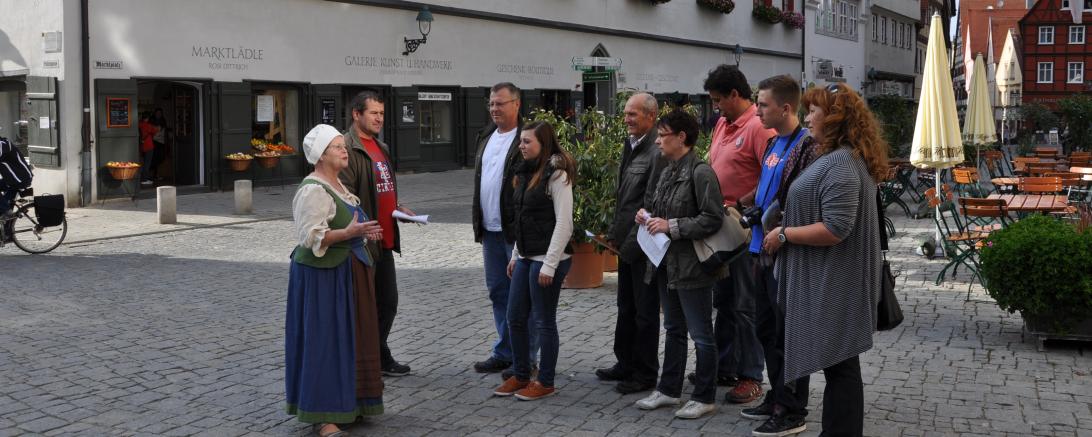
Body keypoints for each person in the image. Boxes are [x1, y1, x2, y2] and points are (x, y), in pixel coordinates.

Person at [760, 83, 886, 437]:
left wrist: (785, 234)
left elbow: (836, 228)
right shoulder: (837, 158)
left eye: (814, 111)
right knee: (839, 364)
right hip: (832, 278)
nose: (807, 117)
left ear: (834, 118)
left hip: (836, 280)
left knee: (841, 364)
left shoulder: (842, 162)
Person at [285, 124, 386, 437]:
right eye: (337, 146)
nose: (345, 150)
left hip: (347, 274)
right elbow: (310, 237)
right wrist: (350, 233)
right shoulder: (313, 190)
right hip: (322, 279)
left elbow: (350, 224)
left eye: (344, 145)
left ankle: (350, 403)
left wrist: (364, 232)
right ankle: (324, 416)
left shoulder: (339, 186)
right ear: (321, 155)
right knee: (325, 342)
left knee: (351, 339)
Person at [738, 75, 821, 435]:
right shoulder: (774, 143)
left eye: (763, 104)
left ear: (786, 108)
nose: (757, 110)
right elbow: (770, 190)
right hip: (760, 250)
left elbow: (799, 202)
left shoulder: (806, 146)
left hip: (784, 255)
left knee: (788, 334)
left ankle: (792, 409)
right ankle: (777, 395)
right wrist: (751, 203)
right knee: (767, 330)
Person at [634, 109, 724, 420]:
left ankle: (704, 395)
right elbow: (660, 209)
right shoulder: (667, 169)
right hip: (665, 264)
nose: (657, 141)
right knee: (673, 329)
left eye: (663, 135)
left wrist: (672, 226)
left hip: (692, 266)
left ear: (681, 137)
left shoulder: (701, 172)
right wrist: (646, 217)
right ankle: (669, 390)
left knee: (701, 333)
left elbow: (713, 218)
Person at [700, 64, 773, 404]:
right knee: (725, 301)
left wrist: (744, 204)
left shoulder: (758, 127)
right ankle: (724, 365)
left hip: (745, 228)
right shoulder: (723, 124)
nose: (715, 107)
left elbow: (773, 175)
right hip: (720, 226)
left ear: (734, 95)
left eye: (718, 100)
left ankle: (751, 375)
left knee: (746, 304)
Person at [492, 121, 576, 401]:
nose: (521, 146)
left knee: (543, 321)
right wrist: (516, 254)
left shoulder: (557, 174)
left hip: (548, 258)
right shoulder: (525, 172)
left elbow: (564, 224)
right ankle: (521, 373)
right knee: (514, 317)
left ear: (544, 144)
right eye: (521, 141)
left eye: (528, 142)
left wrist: (550, 264)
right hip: (527, 255)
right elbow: (523, 218)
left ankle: (547, 381)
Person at [339, 90, 414, 377]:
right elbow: (345, 199)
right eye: (374, 113)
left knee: (388, 302)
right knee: (367, 306)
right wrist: (361, 227)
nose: (379, 118)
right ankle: (372, 359)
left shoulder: (381, 147)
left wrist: (397, 208)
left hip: (385, 237)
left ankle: (376, 354)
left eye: (382, 113)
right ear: (357, 114)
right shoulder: (347, 147)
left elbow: (382, 189)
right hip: (363, 242)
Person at [595, 93, 663, 395]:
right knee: (626, 306)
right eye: (625, 114)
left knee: (645, 312)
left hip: (644, 246)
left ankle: (645, 373)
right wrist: (614, 232)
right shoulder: (632, 145)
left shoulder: (657, 151)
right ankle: (625, 362)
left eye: (633, 114)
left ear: (651, 116)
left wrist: (633, 243)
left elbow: (650, 202)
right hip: (626, 243)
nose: (626, 119)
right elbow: (625, 199)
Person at [471, 82, 539, 377]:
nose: (495, 109)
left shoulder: (528, 137)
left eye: (500, 103)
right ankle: (505, 351)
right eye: (491, 104)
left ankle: (528, 356)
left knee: (524, 296)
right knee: (499, 292)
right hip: (490, 229)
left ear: (516, 104)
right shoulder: (485, 136)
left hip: (517, 232)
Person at [138, 112, 158, 185]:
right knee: (147, 163)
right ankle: (144, 179)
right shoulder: (148, 125)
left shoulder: (139, 124)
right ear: (147, 118)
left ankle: (141, 177)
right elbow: (155, 131)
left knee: (141, 163)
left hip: (141, 146)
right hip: (149, 146)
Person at [151, 108, 169, 181]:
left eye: (160, 113)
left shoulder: (163, 120)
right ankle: (154, 174)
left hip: (161, 142)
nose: (158, 114)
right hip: (154, 142)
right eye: (157, 113)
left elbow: (165, 132)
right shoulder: (152, 121)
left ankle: (155, 174)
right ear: (155, 113)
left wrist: (166, 141)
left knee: (161, 158)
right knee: (155, 158)